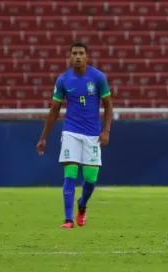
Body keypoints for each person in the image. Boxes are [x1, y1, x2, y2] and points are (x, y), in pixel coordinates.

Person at [36, 42, 113, 228]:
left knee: (90, 179)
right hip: (70, 131)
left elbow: (108, 105)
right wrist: (43, 137)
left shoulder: (98, 78)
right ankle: (68, 219)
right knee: (70, 174)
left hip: (92, 134)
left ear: (87, 56)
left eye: (81, 53)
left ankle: (82, 205)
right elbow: (54, 110)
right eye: (74, 53)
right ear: (70, 57)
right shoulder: (63, 80)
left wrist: (106, 130)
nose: (77, 56)